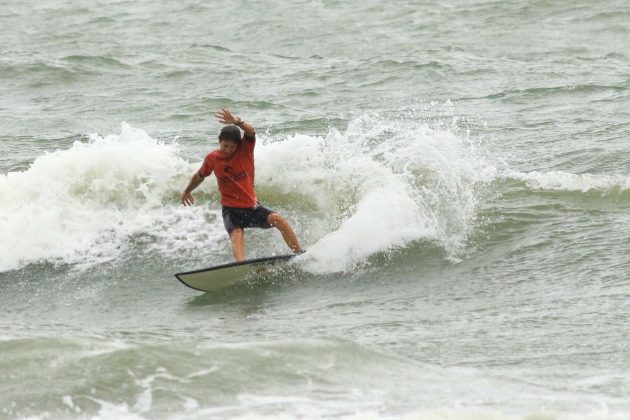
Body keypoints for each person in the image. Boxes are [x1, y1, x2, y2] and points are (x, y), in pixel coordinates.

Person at [181, 108, 304, 261]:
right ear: (219, 142)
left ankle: (299, 253)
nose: (228, 150)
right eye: (225, 146)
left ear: (238, 146)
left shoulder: (245, 151)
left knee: (278, 220)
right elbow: (200, 176)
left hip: (252, 207)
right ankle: (241, 266)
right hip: (231, 211)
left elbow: (251, 130)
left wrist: (237, 121)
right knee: (236, 234)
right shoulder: (212, 158)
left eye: (232, 147)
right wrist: (187, 191)